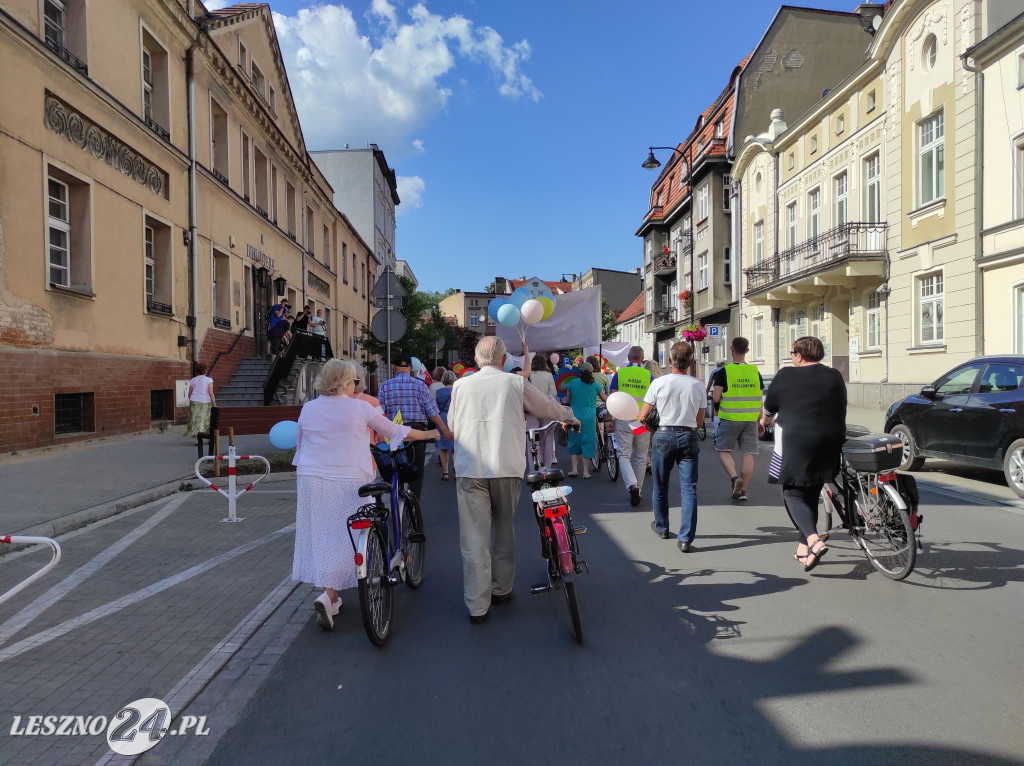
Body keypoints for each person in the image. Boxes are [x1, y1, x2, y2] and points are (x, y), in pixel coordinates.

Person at [292, 359, 438, 630]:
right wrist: (429, 432)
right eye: (352, 381)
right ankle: (334, 592)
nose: (353, 385)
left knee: (325, 534)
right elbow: (395, 433)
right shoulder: (360, 408)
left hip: (311, 477)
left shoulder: (309, 408)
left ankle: (330, 595)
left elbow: (300, 445)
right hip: (350, 478)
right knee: (354, 532)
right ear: (345, 382)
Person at [448, 337, 579, 624]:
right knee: (504, 528)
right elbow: (546, 406)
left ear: (476, 357)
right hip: (506, 465)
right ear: (503, 358)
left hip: (471, 468)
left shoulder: (460, 385)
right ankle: (501, 588)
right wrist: (568, 415)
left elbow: (453, 425)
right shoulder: (514, 383)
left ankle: (477, 605)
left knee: (474, 538)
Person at [759, 336, 846, 571]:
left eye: (792, 354)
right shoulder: (834, 375)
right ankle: (802, 547)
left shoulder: (786, 375)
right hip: (831, 439)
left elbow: (769, 408)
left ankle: (813, 541)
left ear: (798, 355)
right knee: (811, 489)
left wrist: (763, 421)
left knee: (792, 492)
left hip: (798, 440)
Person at [639, 342, 706, 553]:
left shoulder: (659, 383)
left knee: (660, 484)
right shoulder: (698, 385)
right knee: (689, 489)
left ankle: (662, 527)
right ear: (692, 362)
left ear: (670, 361)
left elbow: (642, 416)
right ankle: (686, 538)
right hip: (688, 435)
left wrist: (654, 431)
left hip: (663, 434)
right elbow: (700, 422)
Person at [376, 352, 453, 501]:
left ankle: (396, 498)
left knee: (395, 470)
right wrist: (445, 431)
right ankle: (414, 507)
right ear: (411, 367)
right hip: (417, 434)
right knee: (417, 473)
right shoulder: (420, 385)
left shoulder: (385, 386)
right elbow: (432, 413)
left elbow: (380, 414)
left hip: (393, 435)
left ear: (394, 367)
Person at [711, 337, 765, 502]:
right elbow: (759, 396)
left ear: (731, 349)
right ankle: (743, 491)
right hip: (750, 418)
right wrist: (760, 419)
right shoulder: (755, 371)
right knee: (747, 454)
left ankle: (735, 479)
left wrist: (717, 410)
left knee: (723, 450)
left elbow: (715, 397)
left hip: (730, 418)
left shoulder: (724, 372)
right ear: (747, 350)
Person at [609, 346, 654, 506]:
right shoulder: (649, 375)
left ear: (628, 358)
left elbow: (613, 395)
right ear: (642, 358)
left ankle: (631, 485)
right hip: (640, 420)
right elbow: (653, 400)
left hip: (623, 419)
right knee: (641, 457)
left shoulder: (619, 374)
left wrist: (611, 416)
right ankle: (639, 490)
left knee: (624, 454)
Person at [565, 363, 606, 479]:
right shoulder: (595, 385)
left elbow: (567, 401)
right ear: (592, 372)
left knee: (574, 440)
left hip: (575, 415)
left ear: (580, 372)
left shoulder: (572, 384)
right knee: (588, 441)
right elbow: (605, 398)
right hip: (590, 416)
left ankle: (574, 469)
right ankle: (586, 471)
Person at [526, 351, 558, 472]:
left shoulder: (529, 375)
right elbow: (553, 393)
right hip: (546, 408)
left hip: (531, 410)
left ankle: (534, 468)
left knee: (532, 439)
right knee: (548, 438)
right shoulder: (548, 375)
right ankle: (547, 466)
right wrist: (546, 399)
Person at [184, 363, 217, 437]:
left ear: (197, 371)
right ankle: (204, 435)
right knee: (204, 419)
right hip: (205, 401)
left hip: (194, 401)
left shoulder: (193, 380)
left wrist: (192, 399)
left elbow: (189, 393)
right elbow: (211, 393)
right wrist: (214, 404)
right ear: (205, 370)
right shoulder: (209, 380)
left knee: (195, 419)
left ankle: (196, 438)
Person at [434, 371, 457, 479]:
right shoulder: (457, 391)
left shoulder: (437, 392)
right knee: (455, 447)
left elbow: (433, 408)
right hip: (455, 418)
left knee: (443, 447)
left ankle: (445, 472)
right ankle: (456, 468)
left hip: (442, 419)